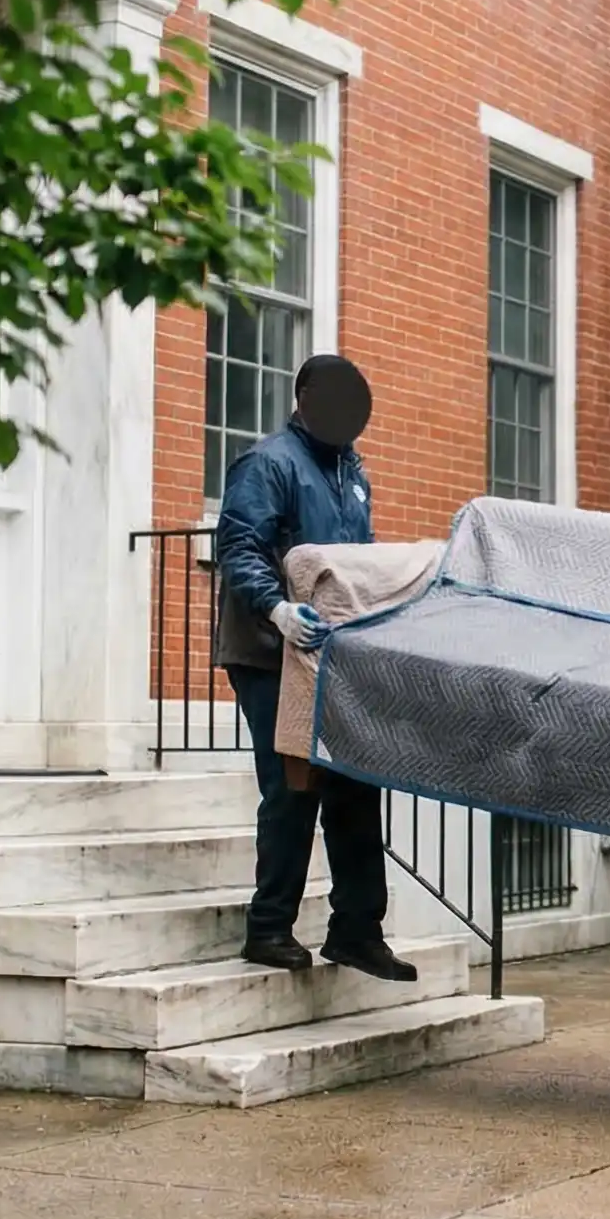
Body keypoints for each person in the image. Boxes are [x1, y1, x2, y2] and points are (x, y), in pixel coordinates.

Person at [214, 354, 414, 983]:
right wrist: (275, 608)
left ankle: (357, 931)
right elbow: (238, 543)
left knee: (356, 787)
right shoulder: (269, 463)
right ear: (301, 398)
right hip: (271, 652)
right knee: (292, 788)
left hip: (333, 654)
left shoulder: (352, 471)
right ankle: (269, 928)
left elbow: (356, 561)